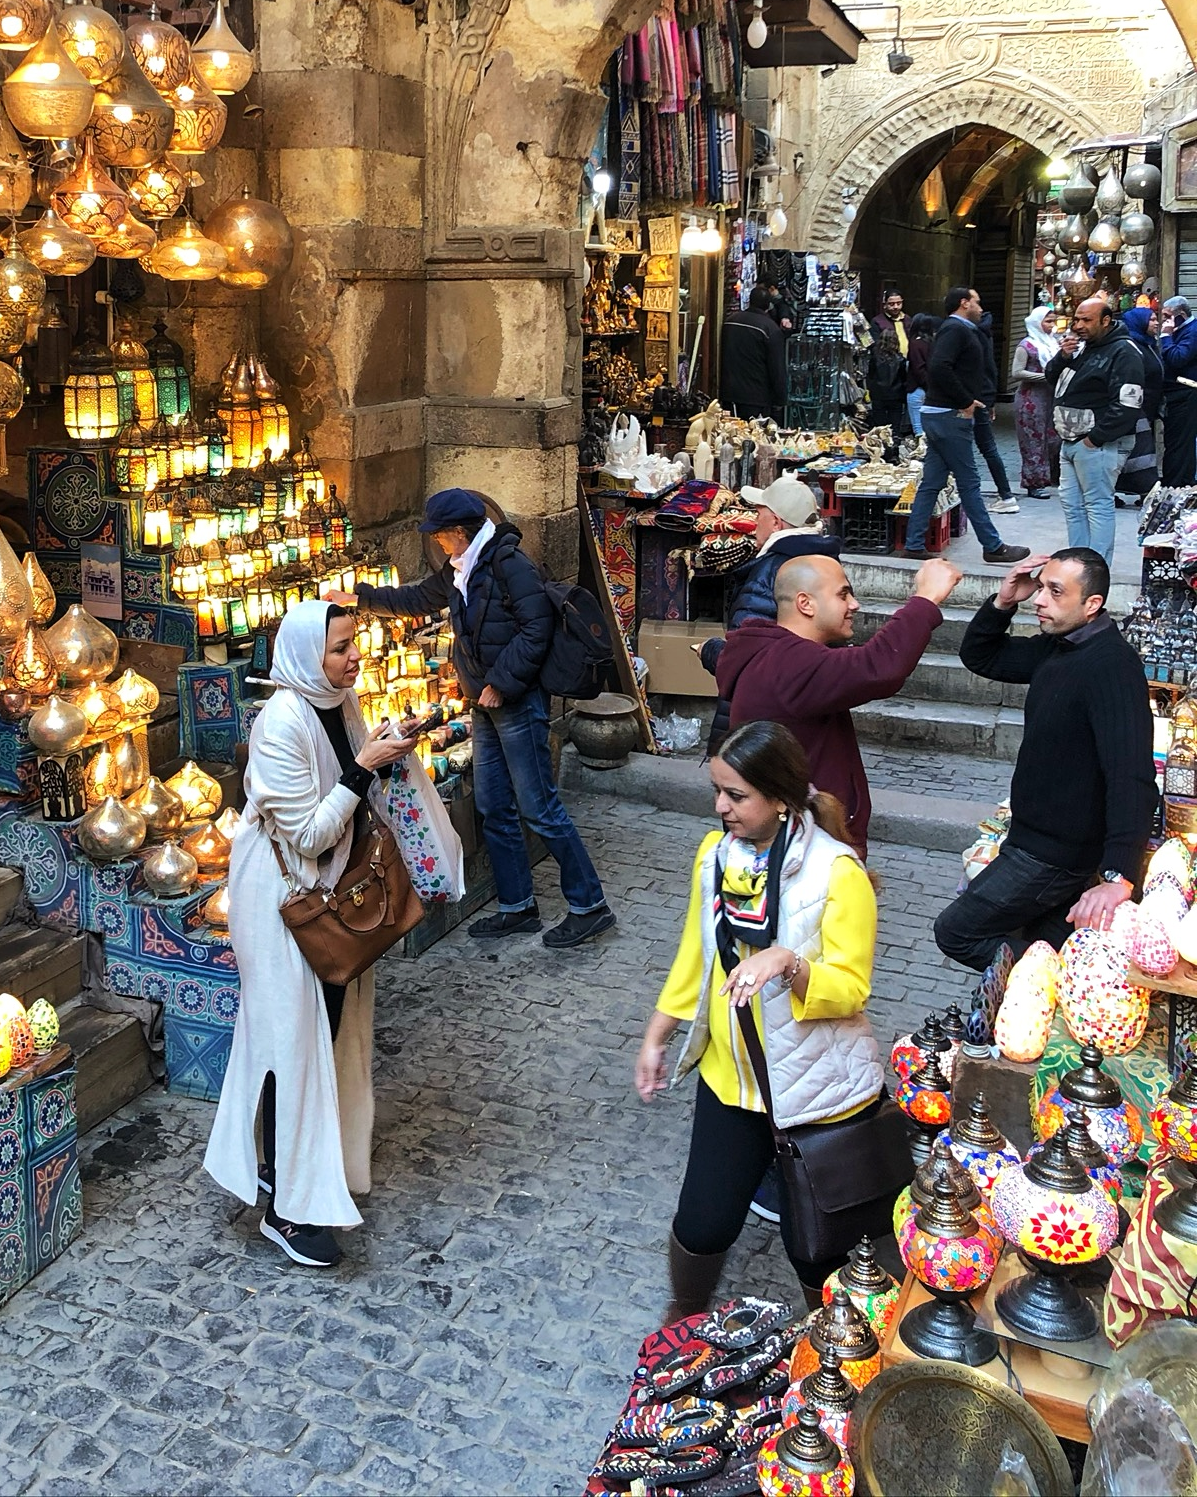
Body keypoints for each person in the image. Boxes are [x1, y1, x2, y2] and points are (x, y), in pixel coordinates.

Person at [634, 720, 890, 1317]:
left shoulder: (838, 874)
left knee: (816, 1249)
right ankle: (686, 1319)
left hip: (815, 1090)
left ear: (779, 798)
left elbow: (852, 990)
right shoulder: (713, 858)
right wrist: (656, 1038)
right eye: (718, 792)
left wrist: (790, 964)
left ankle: (833, 1344)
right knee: (701, 1223)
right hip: (730, 1081)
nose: (721, 808)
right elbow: (694, 959)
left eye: (736, 796)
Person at [204, 600, 417, 1267]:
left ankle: (285, 1168)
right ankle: (289, 1211)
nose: (354, 658)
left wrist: (380, 752)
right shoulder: (280, 724)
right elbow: (309, 832)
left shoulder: (339, 704)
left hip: (328, 893)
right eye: (340, 649)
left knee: (320, 1035)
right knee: (291, 1041)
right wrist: (362, 767)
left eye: (354, 644)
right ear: (304, 656)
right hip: (283, 900)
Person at [333, 488, 614, 949]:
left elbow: (536, 628)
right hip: (486, 703)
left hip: (515, 701)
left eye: (439, 536)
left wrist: (502, 682)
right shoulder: (460, 569)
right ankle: (516, 905)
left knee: (539, 807)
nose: (437, 544)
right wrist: (359, 598)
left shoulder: (509, 565)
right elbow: (417, 598)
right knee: (493, 807)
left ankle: (589, 906)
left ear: (457, 533)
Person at [935, 549, 1156, 969]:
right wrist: (1004, 601)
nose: (1040, 600)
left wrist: (1118, 875)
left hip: (1053, 855)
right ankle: (1052, 984)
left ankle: (1067, 977)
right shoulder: (1059, 647)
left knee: (957, 931)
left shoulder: (1111, 666)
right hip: (1032, 838)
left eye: (1055, 592)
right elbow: (983, 657)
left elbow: (1131, 776)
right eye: (1041, 588)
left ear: (1092, 605)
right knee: (1045, 938)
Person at [714, 552, 962, 855]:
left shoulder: (774, 653)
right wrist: (926, 598)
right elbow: (879, 666)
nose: (854, 605)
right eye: (843, 594)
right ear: (806, 603)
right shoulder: (793, 663)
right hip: (804, 848)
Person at [699, 475, 842, 753]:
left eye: (759, 513)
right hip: (804, 704)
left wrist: (711, 651)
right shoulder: (825, 562)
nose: (754, 521)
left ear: (776, 523)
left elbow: (748, 661)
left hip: (765, 719)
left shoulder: (771, 572)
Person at [903, 286, 1028, 565]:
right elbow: (939, 367)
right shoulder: (955, 330)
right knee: (969, 482)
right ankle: (993, 545)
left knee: (932, 482)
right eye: (977, 302)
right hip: (949, 416)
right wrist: (965, 400)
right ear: (964, 304)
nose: (981, 308)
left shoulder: (955, 330)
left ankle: (914, 542)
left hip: (940, 414)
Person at [1044, 294, 1146, 567]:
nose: (1078, 325)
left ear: (1106, 320)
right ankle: (1077, 567)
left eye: (1086, 320)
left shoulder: (1124, 351)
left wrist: (1095, 438)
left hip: (1098, 444)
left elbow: (1128, 403)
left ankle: (1096, 571)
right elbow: (1052, 379)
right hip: (1071, 442)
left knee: (1098, 506)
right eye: (1077, 319)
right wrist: (1062, 356)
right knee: (1072, 506)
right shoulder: (1082, 347)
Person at [1010, 305, 1061, 498]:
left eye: (1053, 321)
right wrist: (1044, 376)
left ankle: (1050, 477)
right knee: (1033, 441)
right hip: (1030, 401)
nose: (1051, 325)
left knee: (1053, 439)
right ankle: (1034, 483)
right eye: (1048, 321)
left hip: (1050, 398)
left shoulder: (1052, 343)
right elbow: (1017, 372)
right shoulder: (1027, 345)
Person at [972, 309, 1019, 514]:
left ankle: (1006, 494)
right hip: (983, 397)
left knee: (985, 448)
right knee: (987, 447)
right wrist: (991, 400)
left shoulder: (973, 334)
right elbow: (990, 368)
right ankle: (1005, 494)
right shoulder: (984, 333)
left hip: (974, 399)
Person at [1116, 306, 1164, 506]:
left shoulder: (1149, 344)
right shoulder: (1131, 346)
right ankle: (1144, 490)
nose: (1156, 323)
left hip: (1149, 407)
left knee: (1139, 452)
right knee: (1137, 453)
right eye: (1152, 319)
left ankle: (1142, 491)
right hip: (1135, 409)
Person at [719, 285, 787, 421]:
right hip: (756, 398)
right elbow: (777, 368)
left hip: (729, 393)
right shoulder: (770, 329)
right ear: (768, 305)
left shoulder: (730, 322)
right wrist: (780, 399)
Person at [1162, 297, 1197, 486]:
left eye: (1168, 316)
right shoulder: (1183, 330)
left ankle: (1176, 483)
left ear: (1181, 315)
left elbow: (1177, 358)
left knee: (1180, 443)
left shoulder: (1192, 332)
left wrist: (1166, 337)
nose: (1164, 321)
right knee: (1180, 443)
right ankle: (1182, 482)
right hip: (1176, 394)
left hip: (1186, 393)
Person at [866, 288, 911, 433]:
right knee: (883, 418)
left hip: (903, 365)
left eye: (898, 303)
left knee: (895, 416)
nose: (896, 307)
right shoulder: (877, 321)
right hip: (884, 370)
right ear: (885, 304)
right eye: (892, 304)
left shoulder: (908, 320)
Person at [904, 312, 937, 440]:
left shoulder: (915, 344)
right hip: (930, 390)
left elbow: (918, 368)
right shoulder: (933, 343)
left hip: (917, 388)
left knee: (919, 430)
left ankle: (923, 456)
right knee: (928, 428)